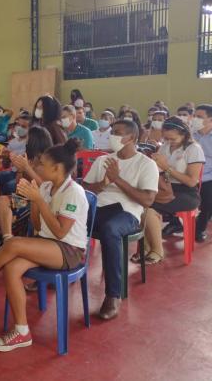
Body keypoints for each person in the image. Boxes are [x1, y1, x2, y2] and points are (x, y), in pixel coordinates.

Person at [0, 139, 88, 352]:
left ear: (57, 168)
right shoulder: (49, 186)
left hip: (69, 251)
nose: (38, 168)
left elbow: (61, 232)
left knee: (12, 244)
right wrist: (35, 201)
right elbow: (38, 225)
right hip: (48, 243)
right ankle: (22, 331)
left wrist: (39, 201)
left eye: (41, 164)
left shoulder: (74, 192)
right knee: (12, 268)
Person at [83, 120, 158, 320]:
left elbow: (148, 200)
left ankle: (113, 295)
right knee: (67, 216)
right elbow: (85, 189)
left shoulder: (146, 164)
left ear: (131, 138)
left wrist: (117, 180)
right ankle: (59, 267)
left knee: (109, 229)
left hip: (127, 213)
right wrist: (103, 183)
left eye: (117, 133)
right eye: (112, 133)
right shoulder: (103, 160)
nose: (112, 136)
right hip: (98, 208)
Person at [141, 117, 204, 264]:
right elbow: (159, 171)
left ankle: (157, 250)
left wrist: (166, 167)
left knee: (149, 208)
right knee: (140, 202)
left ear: (184, 134)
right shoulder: (164, 147)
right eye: (166, 138)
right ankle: (146, 247)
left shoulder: (194, 149)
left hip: (187, 193)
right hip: (165, 187)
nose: (169, 141)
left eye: (173, 138)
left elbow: (191, 181)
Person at [0, 126, 54, 245]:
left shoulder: (47, 161)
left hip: (42, 202)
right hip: (26, 199)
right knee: (1, 200)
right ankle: (8, 238)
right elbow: (19, 186)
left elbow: (47, 188)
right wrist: (20, 170)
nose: (25, 141)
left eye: (28, 139)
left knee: (15, 205)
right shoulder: (30, 159)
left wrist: (27, 168)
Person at [193, 104, 212, 242]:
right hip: (188, 175)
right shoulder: (190, 134)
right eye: (195, 116)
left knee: (207, 202)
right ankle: (175, 224)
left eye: (200, 117)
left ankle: (200, 229)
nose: (196, 119)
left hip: (208, 176)